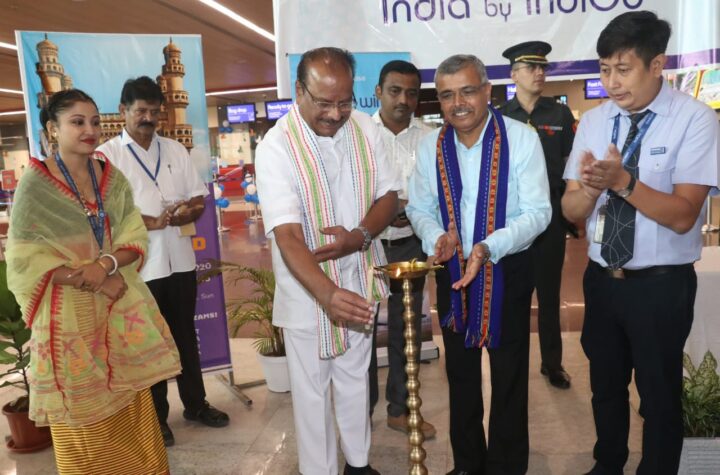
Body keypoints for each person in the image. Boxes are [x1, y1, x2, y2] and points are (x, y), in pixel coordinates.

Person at [561, 11, 720, 475]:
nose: (612, 82)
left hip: (660, 285)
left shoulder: (694, 120)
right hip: (602, 280)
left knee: (659, 394)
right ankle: (607, 464)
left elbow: (684, 215)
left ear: (656, 65)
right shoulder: (595, 121)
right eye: (604, 69)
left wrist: (624, 183)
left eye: (623, 69)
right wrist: (590, 189)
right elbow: (571, 210)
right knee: (605, 388)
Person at [6, 89, 181, 474]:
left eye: (95, 121)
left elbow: (133, 234)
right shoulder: (36, 184)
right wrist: (99, 280)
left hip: (118, 308)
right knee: (83, 417)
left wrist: (106, 265)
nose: (90, 129)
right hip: (68, 316)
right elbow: (25, 258)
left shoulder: (110, 176)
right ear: (53, 129)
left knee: (132, 406)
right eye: (77, 122)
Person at [255, 47, 399, 475]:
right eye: (323, 102)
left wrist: (359, 237)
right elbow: (287, 235)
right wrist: (327, 294)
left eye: (344, 102)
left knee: (356, 379)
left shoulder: (366, 129)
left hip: (358, 278)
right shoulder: (276, 146)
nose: (335, 114)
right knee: (313, 394)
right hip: (308, 291)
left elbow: (390, 196)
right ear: (299, 91)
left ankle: (358, 465)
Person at [407, 54, 551, 475]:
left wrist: (487, 247)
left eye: (468, 91)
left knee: (508, 376)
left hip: (507, 267)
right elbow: (419, 208)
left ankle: (506, 466)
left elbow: (538, 212)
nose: (458, 103)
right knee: (461, 375)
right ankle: (468, 464)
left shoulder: (520, 139)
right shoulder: (430, 146)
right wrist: (437, 237)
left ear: (487, 91)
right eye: (447, 95)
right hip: (453, 272)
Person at [97, 76, 229, 447]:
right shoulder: (107, 156)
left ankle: (196, 404)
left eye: (155, 112)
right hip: (140, 268)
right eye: (141, 111)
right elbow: (108, 212)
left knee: (185, 335)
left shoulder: (174, 150)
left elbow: (198, 198)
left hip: (181, 260)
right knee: (149, 344)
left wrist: (188, 212)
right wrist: (150, 222)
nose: (148, 118)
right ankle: (157, 419)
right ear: (123, 111)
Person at [499, 41, 576, 389]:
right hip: (513, 220)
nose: (539, 73)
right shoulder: (500, 117)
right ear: (514, 74)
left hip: (550, 219)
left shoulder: (559, 114)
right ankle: (511, 363)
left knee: (549, 294)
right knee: (513, 295)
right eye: (531, 68)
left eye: (543, 67)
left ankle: (552, 363)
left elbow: (570, 165)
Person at [368, 59, 437, 438]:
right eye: (395, 91)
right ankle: (360, 413)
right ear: (378, 91)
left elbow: (437, 191)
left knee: (405, 328)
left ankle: (401, 409)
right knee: (362, 329)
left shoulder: (429, 137)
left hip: (412, 242)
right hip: (368, 245)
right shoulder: (359, 134)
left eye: (411, 93)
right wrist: (382, 210)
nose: (403, 100)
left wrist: (411, 209)